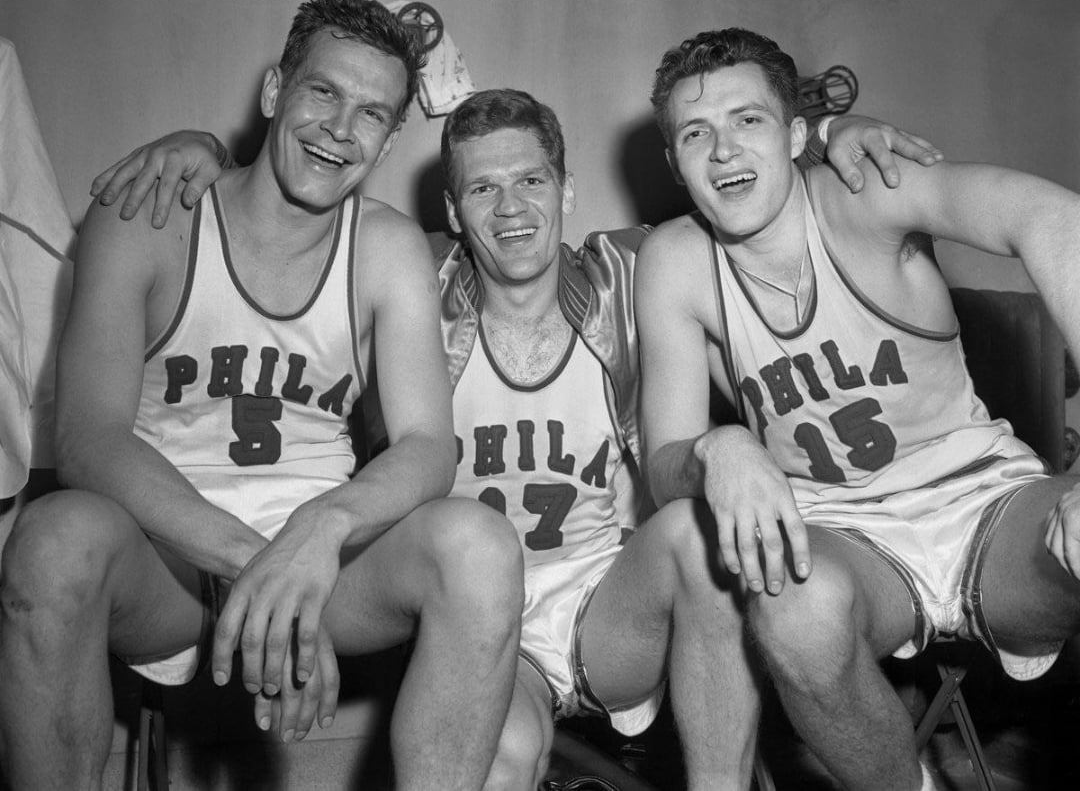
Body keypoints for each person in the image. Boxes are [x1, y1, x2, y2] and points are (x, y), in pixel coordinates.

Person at [87, 81, 941, 789]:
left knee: (695, 531)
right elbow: (292, 211)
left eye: (531, 182)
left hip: (617, 602)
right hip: (486, 624)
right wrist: (208, 149)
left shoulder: (637, 274)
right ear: (453, 214)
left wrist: (828, 128)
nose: (511, 209)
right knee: (494, 766)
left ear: (566, 192)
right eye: (483, 191)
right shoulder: (408, 280)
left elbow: (746, 185)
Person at [0, 0, 525, 790]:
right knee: (52, 541)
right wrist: (260, 564)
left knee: (481, 547)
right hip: (165, 560)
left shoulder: (383, 247)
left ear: (387, 141)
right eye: (323, 93)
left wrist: (320, 529)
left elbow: (427, 448)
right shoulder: (149, 215)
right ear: (276, 91)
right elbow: (86, 440)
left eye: (372, 114)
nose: (340, 129)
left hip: (327, 568)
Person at [636, 25, 1080, 791]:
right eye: (695, 134)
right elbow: (664, 462)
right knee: (786, 604)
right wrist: (721, 449)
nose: (724, 153)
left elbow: (1048, 217)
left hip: (985, 503)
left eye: (749, 121)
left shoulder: (860, 192)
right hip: (847, 534)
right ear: (675, 163)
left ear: (798, 134)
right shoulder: (675, 262)